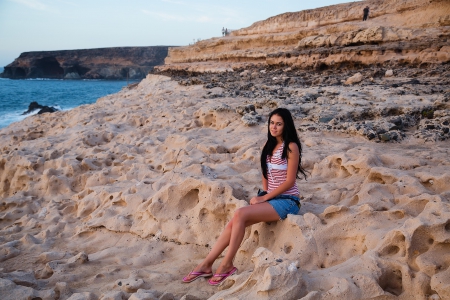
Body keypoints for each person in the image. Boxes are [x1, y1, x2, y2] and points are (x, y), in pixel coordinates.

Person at [182, 108, 307, 286]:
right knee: (235, 220)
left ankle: (226, 265)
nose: (274, 127)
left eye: (279, 124)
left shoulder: (291, 147)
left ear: (286, 126)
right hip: (272, 198)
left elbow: (289, 181)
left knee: (240, 214)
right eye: (272, 123)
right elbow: (266, 174)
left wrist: (264, 199)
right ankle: (207, 264)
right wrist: (264, 194)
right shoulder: (268, 145)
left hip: (288, 201)